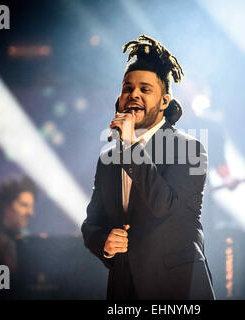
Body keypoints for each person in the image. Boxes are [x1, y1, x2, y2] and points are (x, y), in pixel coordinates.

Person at [81, 35, 215, 299]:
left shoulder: (190, 149)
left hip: (177, 289)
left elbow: (162, 204)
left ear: (164, 102)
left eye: (145, 89)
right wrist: (104, 244)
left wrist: (130, 144)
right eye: (127, 88)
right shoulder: (109, 159)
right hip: (123, 288)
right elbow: (91, 224)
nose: (134, 95)